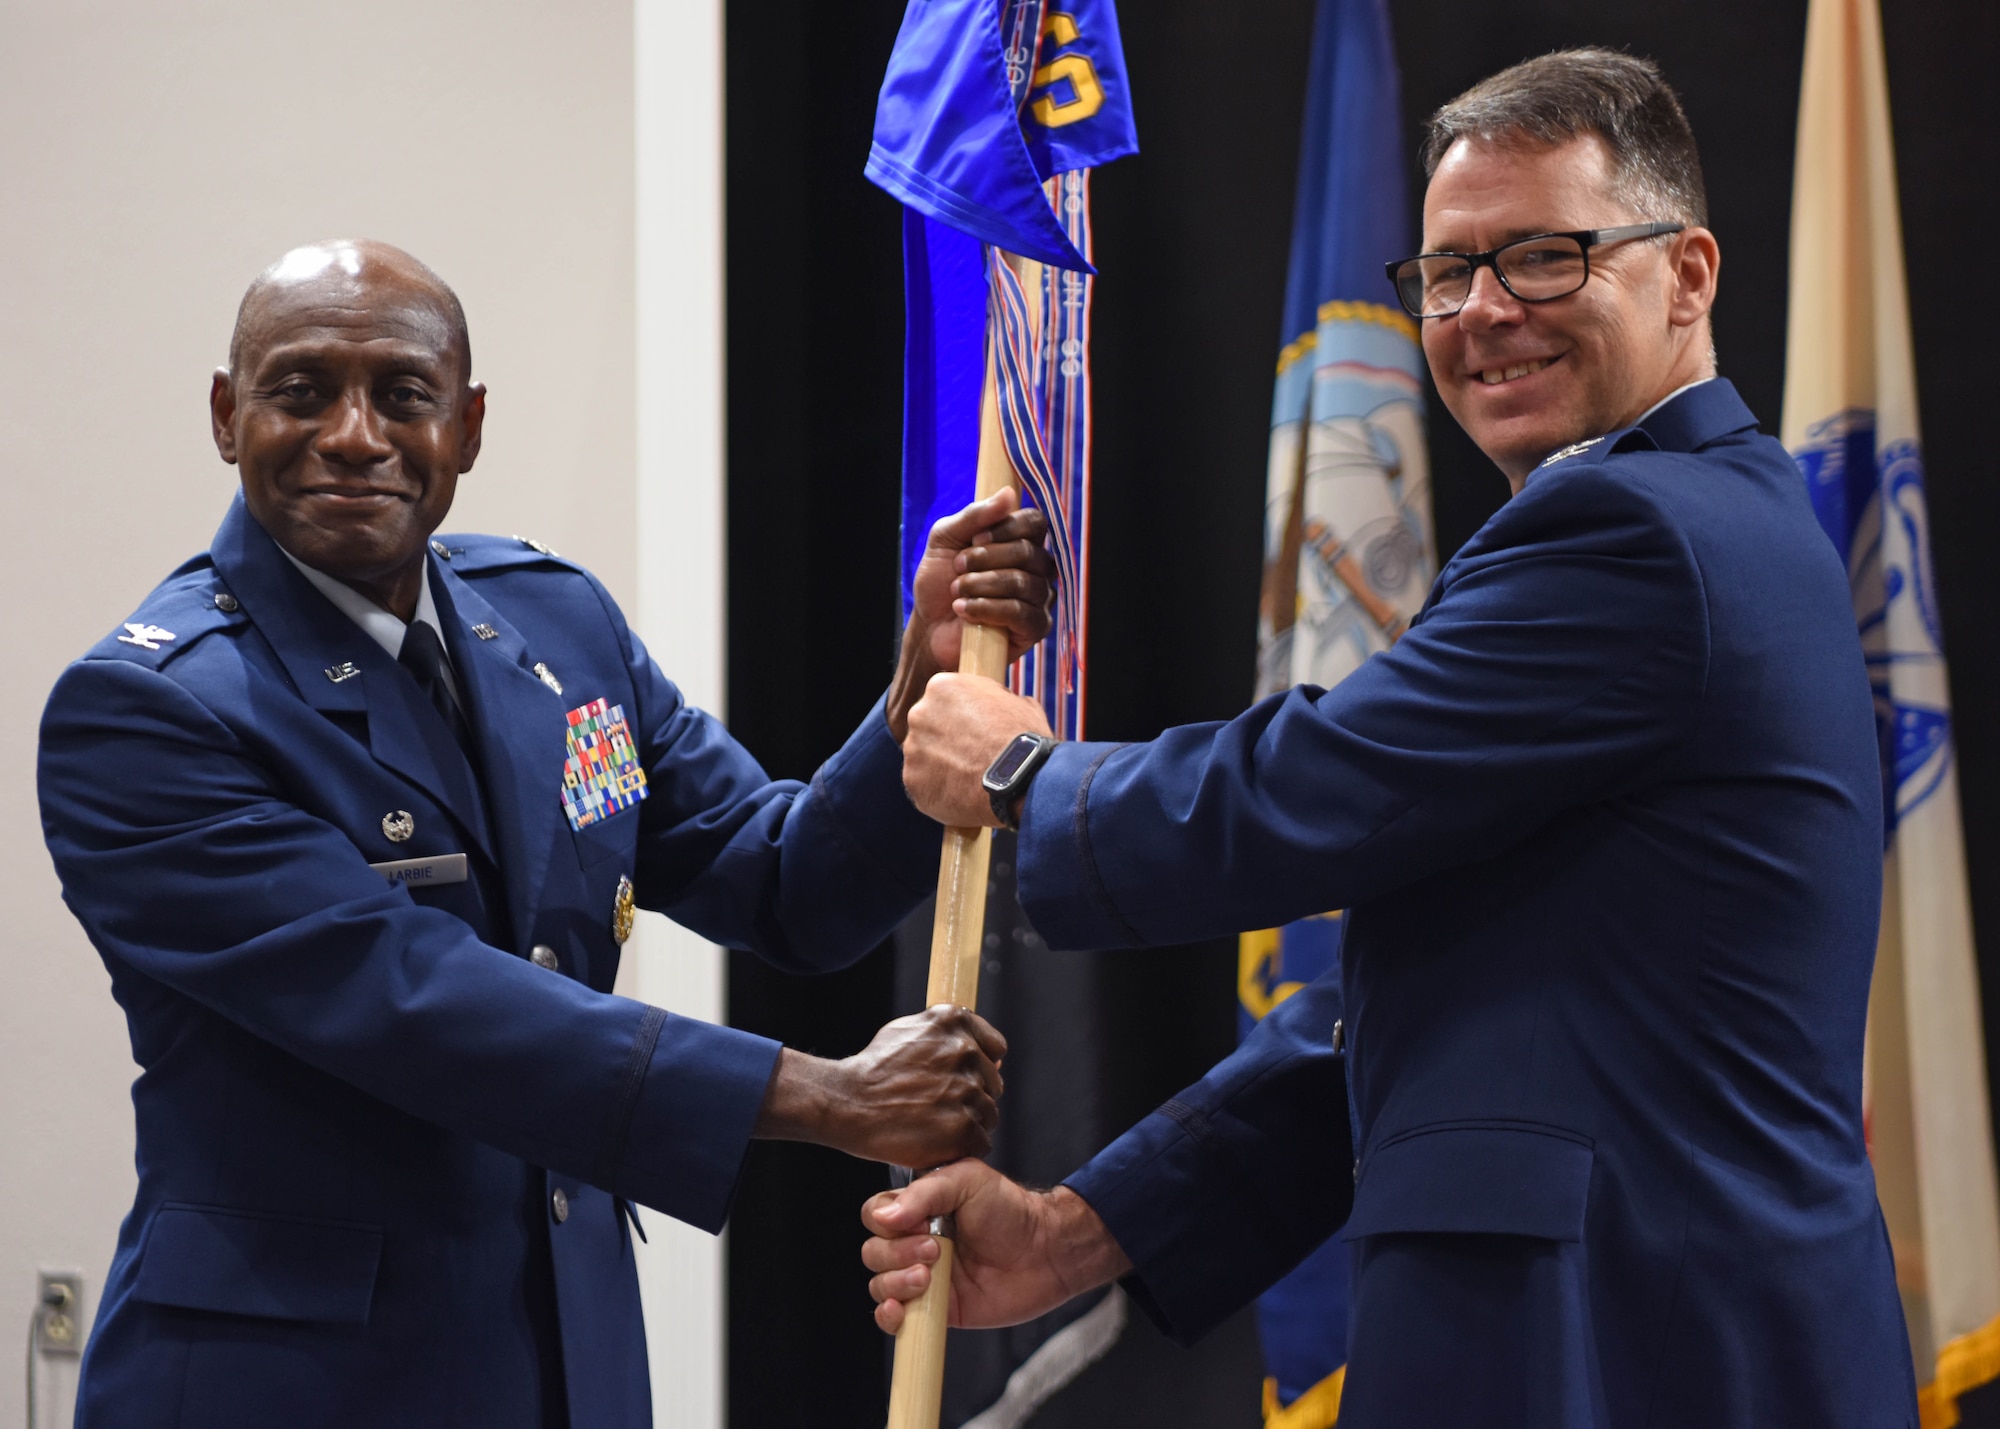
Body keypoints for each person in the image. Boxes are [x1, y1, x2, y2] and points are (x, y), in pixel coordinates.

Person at [868, 49, 1916, 1427]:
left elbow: (1319, 785)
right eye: (1444, 271)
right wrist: (1082, 1228)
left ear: (1691, 275)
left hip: (1624, 1345)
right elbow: (1436, 999)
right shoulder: (1681, 528)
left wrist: (1023, 774)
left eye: (1545, 257)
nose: (1484, 313)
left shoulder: (1640, 532)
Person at [37, 239, 1055, 1429]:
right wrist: (822, 1095)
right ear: (227, 414)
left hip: (564, 1363)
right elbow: (416, 999)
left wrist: (917, 679)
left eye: (403, 395)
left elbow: (784, 883)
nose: (355, 433)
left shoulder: (554, 625)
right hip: (295, 1384)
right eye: (301, 390)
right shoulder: (150, 709)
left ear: (466, 427)